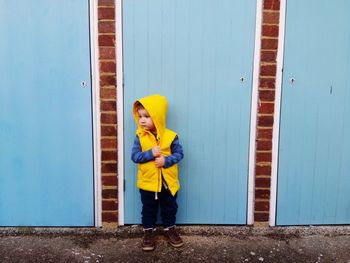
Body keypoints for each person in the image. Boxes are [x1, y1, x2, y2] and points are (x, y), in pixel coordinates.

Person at [131, 94, 184, 251]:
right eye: (140, 116)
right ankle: (148, 233)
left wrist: (165, 161)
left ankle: (170, 229)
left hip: (168, 182)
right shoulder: (139, 137)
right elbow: (135, 157)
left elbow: (179, 154)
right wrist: (151, 154)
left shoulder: (171, 136)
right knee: (148, 209)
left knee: (170, 207)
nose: (142, 120)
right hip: (148, 183)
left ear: (158, 117)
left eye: (147, 116)